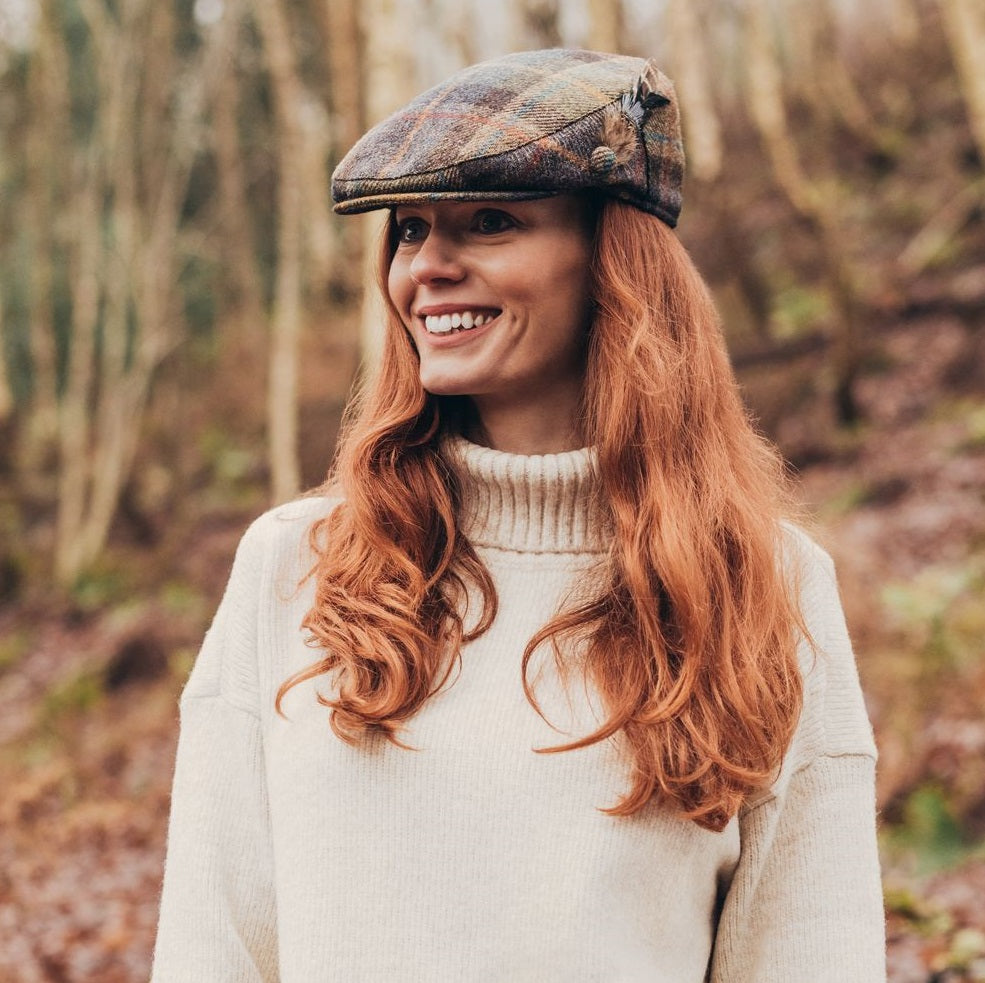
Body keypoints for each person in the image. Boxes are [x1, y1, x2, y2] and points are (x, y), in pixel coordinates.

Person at [152, 49, 885, 982]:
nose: (427, 267)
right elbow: (214, 942)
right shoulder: (297, 562)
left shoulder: (765, 581)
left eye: (490, 222)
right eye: (410, 230)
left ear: (615, 263)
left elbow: (808, 952)